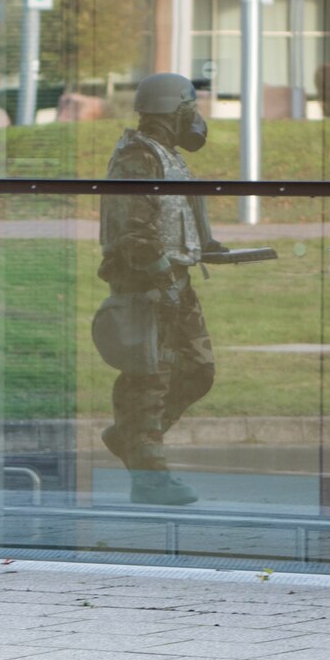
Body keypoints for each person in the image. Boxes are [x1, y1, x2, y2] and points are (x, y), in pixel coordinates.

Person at [95, 72, 221, 506]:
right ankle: (150, 475)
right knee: (150, 375)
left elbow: (173, 215)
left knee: (198, 370)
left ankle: (129, 436)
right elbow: (133, 229)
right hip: (147, 283)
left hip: (175, 280)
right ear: (176, 110)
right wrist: (159, 275)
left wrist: (205, 248)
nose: (197, 118)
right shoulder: (137, 157)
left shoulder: (165, 155)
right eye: (192, 109)